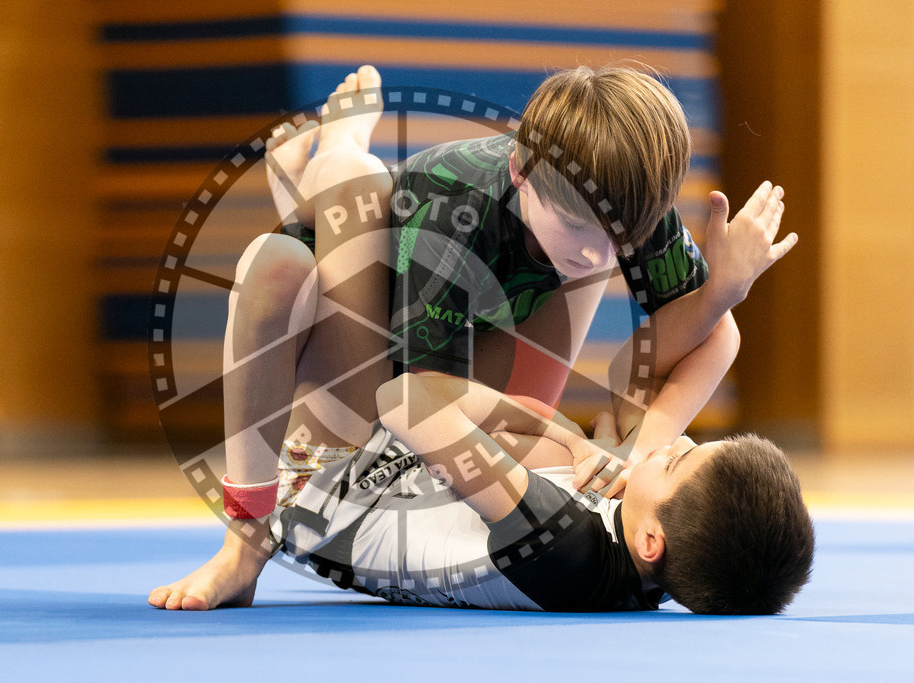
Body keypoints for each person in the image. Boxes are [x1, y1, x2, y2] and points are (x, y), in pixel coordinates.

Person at [148, 67, 813, 613]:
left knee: (574, 272)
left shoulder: (621, 208)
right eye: (583, 227)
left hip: (411, 428)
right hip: (377, 358)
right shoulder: (454, 197)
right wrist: (599, 443)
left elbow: (710, 338)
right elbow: (413, 395)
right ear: (523, 172)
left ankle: (316, 188)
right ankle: (334, 163)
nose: (606, 251)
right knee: (299, 244)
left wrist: (613, 442)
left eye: (621, 236)